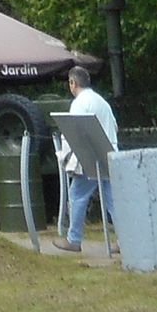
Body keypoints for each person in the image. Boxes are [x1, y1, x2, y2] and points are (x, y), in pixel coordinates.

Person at [56, 63, 118, 246]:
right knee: (113, 200)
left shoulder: (79, 103)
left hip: (92, 157)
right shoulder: (101, 101)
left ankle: (74, 239)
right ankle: (125, 240)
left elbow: (75, 132)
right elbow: (115, 127)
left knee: (77, 195)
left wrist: (66, 157)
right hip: (111, 154)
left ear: (73, 83)